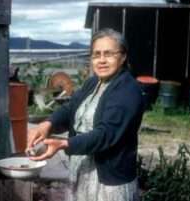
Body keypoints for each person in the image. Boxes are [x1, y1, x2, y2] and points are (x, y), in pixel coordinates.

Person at [26, 28, 144, 201]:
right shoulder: (93, 82)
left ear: (123, 57)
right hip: (82, 171)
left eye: (109, 54)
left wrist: (64, 143)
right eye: (96, 55)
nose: (101, 60)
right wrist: (48, 124)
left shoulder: (127, 90)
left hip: (108, 182)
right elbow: (71, 108)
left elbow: (105, 134)